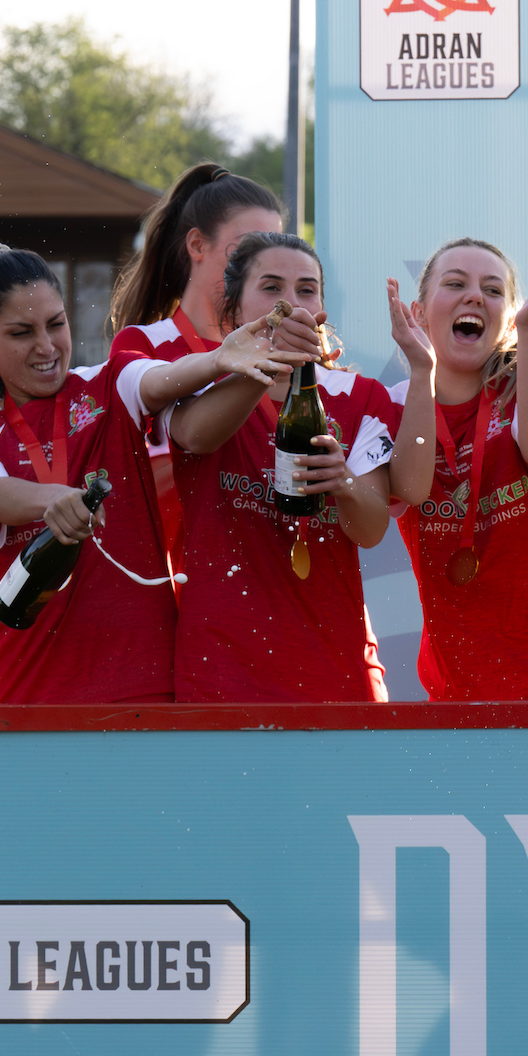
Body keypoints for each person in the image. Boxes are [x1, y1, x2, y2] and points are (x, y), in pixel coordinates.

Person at [0, 245, 296, 703]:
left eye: (56, 324)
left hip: (140, 681)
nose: (46, 347)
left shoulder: (110, 380)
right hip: (25, 685)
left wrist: (220, 359)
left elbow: (160, 379)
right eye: (21, 333)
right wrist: (55, 501)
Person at [168, 233, 401, 703]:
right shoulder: (196, 377)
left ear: (322, 310)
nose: (291, 303)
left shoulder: (360, 398)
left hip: (336, 666)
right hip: (221, 670)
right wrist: (268, 361)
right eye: (271, 288)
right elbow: (194, 436)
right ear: (232, 312)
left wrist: (345, 484)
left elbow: (372, 529)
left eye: (307, 289)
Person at [385, 240, 528, 701]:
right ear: (419, 312)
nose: (474, 297)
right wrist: (422, 372)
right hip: (461, 672)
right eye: (455, 284)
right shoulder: (391, 406)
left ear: (507, 318)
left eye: (492, 289)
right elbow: (409, 489)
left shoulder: (526, 380)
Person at [106, 163, 288, 557]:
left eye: (271, 250)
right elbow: (193, 439)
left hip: (275, 569)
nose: (262, 266)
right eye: (246, 248)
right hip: (186, 580)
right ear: (197, 245)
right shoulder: (143, 345)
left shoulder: (283, 346)